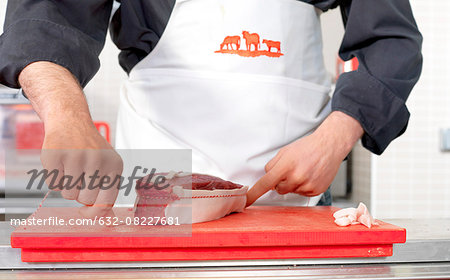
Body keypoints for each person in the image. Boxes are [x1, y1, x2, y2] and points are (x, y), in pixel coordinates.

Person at [0, 0, 422, 215]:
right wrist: (66, 115)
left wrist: (335, 137)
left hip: (295, 204)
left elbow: (391, 36)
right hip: (157, 194)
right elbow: (49, 11)